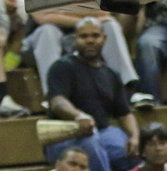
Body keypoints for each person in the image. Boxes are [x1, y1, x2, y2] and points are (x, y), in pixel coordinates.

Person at [45, 17, 140, 171]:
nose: (89, 40)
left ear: (104, 39)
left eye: (95, 36)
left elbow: (124, 113)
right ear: (75, 39)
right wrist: (78, 116)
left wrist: (135, 137)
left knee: (134, 150)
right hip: (64, 137)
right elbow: (57, 101)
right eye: (84, 36)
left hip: (103, 133)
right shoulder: (62, 66)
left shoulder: (111, 73)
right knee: (91, 140)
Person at [20, 7, 153, 105]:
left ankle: (126, 90)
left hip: (78, 37)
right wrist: (84, 17)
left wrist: (59, 12)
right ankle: (55, 98)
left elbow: (104, 13)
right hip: (40, 42)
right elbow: (42, 17)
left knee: (110, 26)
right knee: (47, 31)